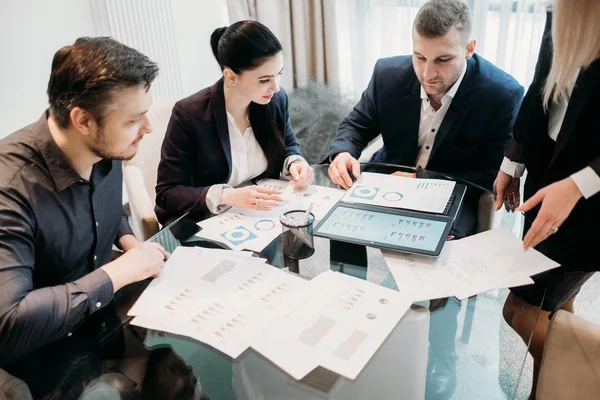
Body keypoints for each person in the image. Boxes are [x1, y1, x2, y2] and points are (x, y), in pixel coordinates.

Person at [0, 37, 169, 365]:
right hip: (46, 356)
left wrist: (128, 239)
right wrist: (117, 273)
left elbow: (102, 207)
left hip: (106, 324)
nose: (148, 128)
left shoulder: (106, 146)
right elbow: (9, 324)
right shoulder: (11, 190)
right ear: (83, 121)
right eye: (134, 120)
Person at [495, 2, 600, 397]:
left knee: (520, 311)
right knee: (556, 304)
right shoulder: (564, 8)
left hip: (593, 196)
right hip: (548, 171)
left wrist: (577, 186)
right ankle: (549, 389)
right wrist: (513, 161)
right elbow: (543, 79)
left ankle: (581, 381)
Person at [325, 0, 523, 197]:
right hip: (383, 183)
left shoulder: (502, 96)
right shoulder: (387, 75)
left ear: (469, 49)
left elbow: (490, 176)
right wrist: (343, 153)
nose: (428, 74)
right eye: (419, 57)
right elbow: (356, 126)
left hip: (448, 196)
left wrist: (417, 180)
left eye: (442, 60)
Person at [155, 20, 314, 226]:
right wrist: (227, 196)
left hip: (260, 213)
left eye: (278, 74)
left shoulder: (275, 100)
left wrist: (295, 163)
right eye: (264, 79)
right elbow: (167, 192)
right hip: (206, 219)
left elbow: (288, 144)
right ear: (230, 76)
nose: (275, 87)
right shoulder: (189, 114)